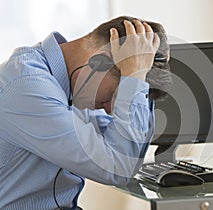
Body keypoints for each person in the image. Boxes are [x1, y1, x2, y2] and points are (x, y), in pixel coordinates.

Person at [0, 16, 172, 210]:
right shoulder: (28, 87)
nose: (111, 110)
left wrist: (138, 79)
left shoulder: (69, 86)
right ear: (100, 62)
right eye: (115, 95)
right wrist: (134, 78)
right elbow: (118, 167)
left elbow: (124, 148)